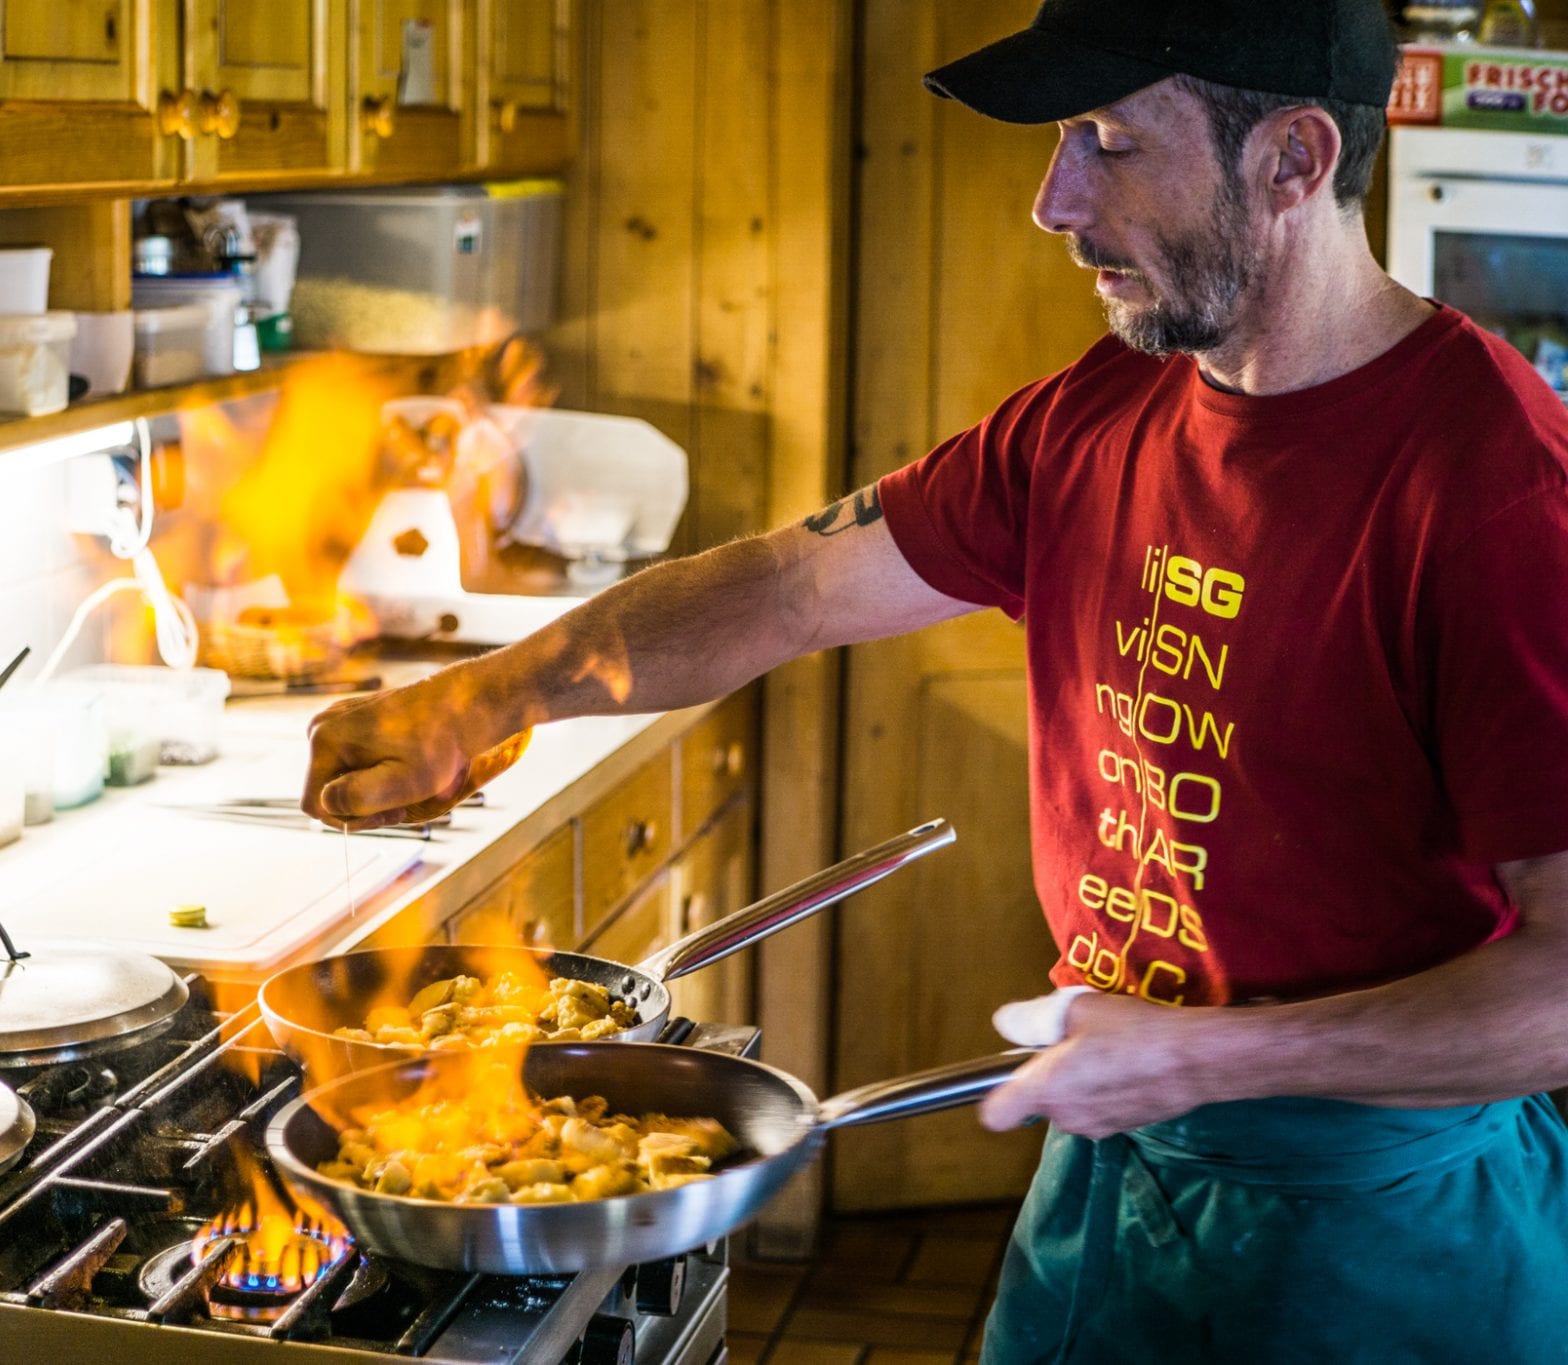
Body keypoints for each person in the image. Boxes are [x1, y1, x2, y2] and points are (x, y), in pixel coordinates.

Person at [302, 0, 1568, 1356]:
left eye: (1108, 141)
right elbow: (793, 585)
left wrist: (1214, 1055)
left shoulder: (1497, 484)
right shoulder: (1106, 410)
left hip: (1385, 1228)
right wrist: (489, 695)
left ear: (1293, 161)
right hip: (1110, 1168)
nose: (1053, 198)